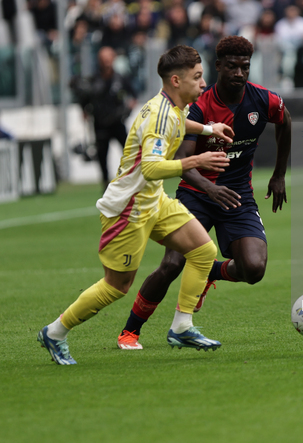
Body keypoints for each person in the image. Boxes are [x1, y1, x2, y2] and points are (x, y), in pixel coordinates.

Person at [38, 45, 234, 365]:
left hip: (153, 201)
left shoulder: (171, 105)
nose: (203, 83)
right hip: (128, 210)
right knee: (117, 287)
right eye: (197, 77)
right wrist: (195, 160)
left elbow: (180, 124)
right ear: (175, 80)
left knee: (203, 251)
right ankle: (56, 331)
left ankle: (182, 326)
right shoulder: (160, 116)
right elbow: (151, 168)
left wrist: (209, 129)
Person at [117, 35, 291, 350]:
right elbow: (182, 162)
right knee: (172, 264)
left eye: (245, 67)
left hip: (237, 196)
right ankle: (130, 331)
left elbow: (285, 121)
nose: (239, 73)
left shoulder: (264, 100)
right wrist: (210, 188)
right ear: (219, 66)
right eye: (233, 67)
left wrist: (279, 175)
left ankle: (210, 272)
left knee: (254, 269)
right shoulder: (199, 107)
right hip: (197, 194)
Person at [71, 46, 137, 191]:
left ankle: (133, 179)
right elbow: (84, 98)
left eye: (108, 59)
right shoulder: (93, 80)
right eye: (103, 59)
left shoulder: (120, 78)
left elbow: (133, 94)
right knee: (102, 156)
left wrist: (129, 108)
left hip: (118, 122)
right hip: (100, 124)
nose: (106, 62)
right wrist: (84, 111)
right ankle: (105, 184)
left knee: (129, 152)